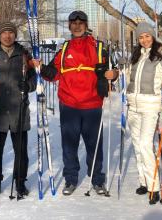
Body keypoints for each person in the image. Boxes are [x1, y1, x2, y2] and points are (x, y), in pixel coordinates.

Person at [36, 10, 118, 196]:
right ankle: (71, 179)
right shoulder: (64, 49)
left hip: (92, 104)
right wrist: (40, 67)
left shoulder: (98, 47)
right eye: (74, 23)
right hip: (69, 104)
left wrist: (113, 75)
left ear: (86, 24)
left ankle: (97, 180)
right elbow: (54, 74)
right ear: (69, 26)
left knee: (94, 145)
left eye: (81, 22)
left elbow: (113, 70)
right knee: (69, 146)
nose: (78, 25)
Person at [0, 22, 36, 198]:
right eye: (4, 33)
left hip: (19, 110)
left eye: (11, 32)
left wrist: (28, 85)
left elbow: (33, 80)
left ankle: (20, 182)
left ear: (15, 35)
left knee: (21, 151)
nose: (8, 36)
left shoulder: (24, 55)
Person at [126, 22, 162, 204]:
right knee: (138, 145)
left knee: (146, 144)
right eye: (141, 37)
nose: (144, 40)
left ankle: (154, 187)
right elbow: (130, 77)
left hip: (150, 107)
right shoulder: (136, 56)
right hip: (133, 106)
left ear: (153, 36)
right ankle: (144, 181)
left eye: (147, 36)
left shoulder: (160, 56)